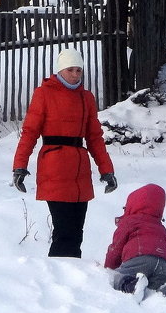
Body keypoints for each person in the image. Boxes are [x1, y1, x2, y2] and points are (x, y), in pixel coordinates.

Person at [12, 47, 117, 258]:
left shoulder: (86, 98)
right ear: (60, 70)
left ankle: (73, 277)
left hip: (79, 169)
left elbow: (95, 137)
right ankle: (58, 275)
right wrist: (19, 166)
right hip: (55, 166)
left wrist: (107, 171)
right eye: (71, 69)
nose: (75, 74)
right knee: (64, 231)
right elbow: (30, 132)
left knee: (76, 232)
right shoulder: (44, 93)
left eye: (79, 70)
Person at [104, 183, 166, 301]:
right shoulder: (160, 226)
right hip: (165, 264)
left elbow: (116, 248)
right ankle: (165, 287)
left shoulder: (130, 222)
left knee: (114, 277)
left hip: (140, 258)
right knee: (155, 284)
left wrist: (109, 267)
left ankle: (132, 285)